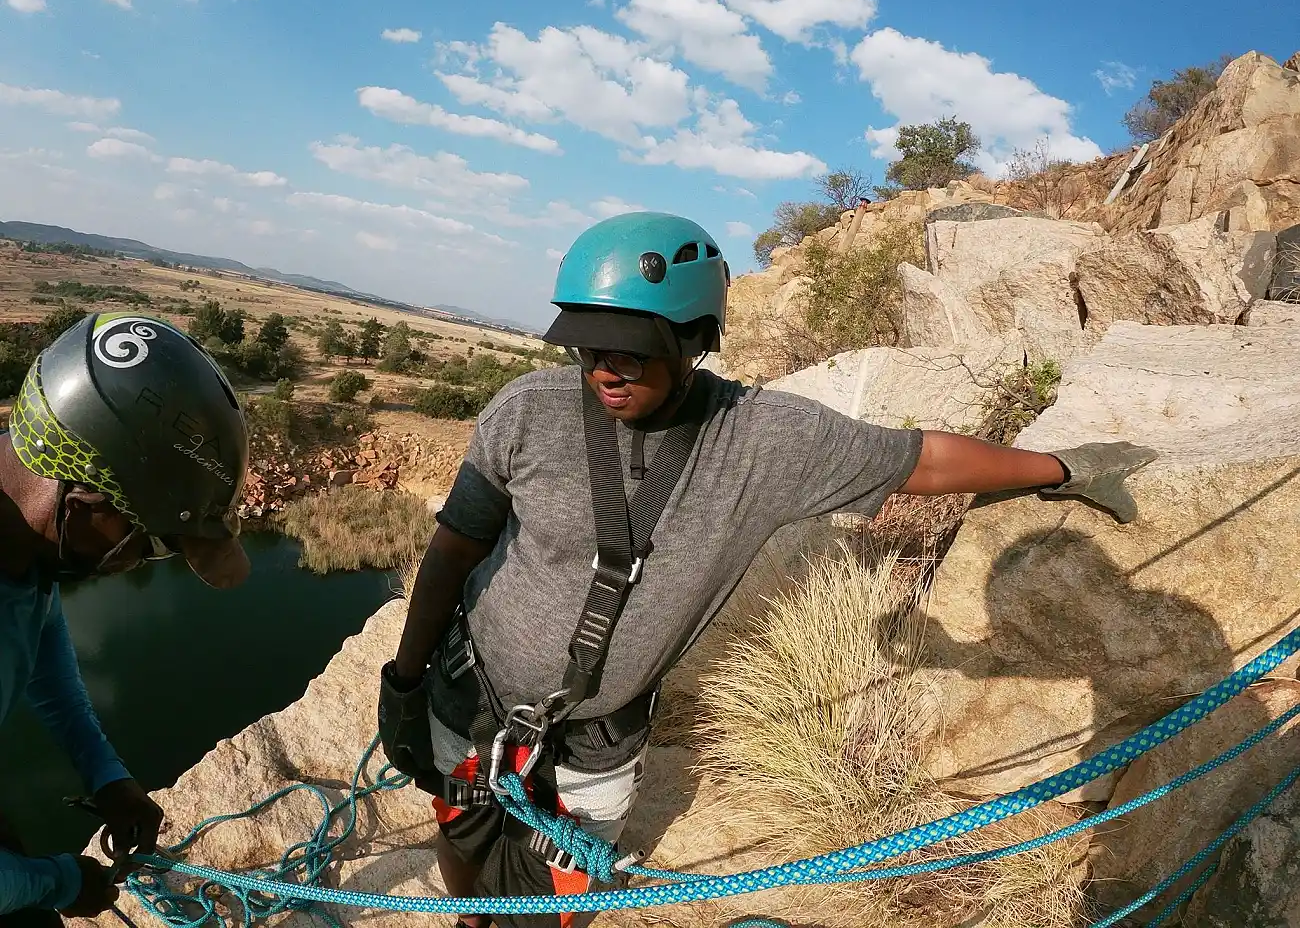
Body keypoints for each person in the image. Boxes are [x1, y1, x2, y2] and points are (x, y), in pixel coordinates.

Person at [378, 212, 1157, 928]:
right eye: (587, 347)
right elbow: (455, 549)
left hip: (599, 736)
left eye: (628, 350)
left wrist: (1061, 466)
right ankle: (471, 920)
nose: (604, 370)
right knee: (464, 826)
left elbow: (919, 460)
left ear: (691, 339)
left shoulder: (763, 441)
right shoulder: (527, 410)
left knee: (560, 897)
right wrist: (405, 682)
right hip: (470, 696)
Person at [0, 313, 251, 926]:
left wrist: (108, 776)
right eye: (150, 544)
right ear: (86, 502)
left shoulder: (27, 553)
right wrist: (61, 883)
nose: (135, 565)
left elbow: (49, 679)